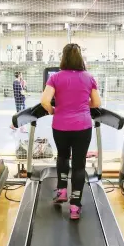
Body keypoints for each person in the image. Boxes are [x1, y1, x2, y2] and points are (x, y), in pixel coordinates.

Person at [41, 43, 101, 220]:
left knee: (62, 156)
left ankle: (61, 192)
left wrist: (53, 110)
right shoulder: (89, 77)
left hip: (60, 125)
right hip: (83, 126)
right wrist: (82, 105)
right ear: (80, 58)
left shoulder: (55, 78)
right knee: (79, 164)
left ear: (63, 58)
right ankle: (75, 206)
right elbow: (97, 103)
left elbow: (45, 101)